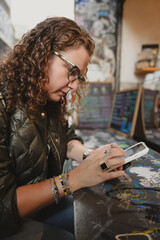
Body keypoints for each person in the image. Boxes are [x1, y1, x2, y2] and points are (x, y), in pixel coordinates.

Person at [0, 17, 126, 239]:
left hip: (43, 206)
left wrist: (89, 156)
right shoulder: (4, 102)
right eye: (71, 70)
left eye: (80, 76)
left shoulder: (47, 101)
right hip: (11, 221)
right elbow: (4, 208)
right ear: (40, 55)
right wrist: (75, 179)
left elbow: (66, 138)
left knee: (106, 220)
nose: (75, 85)